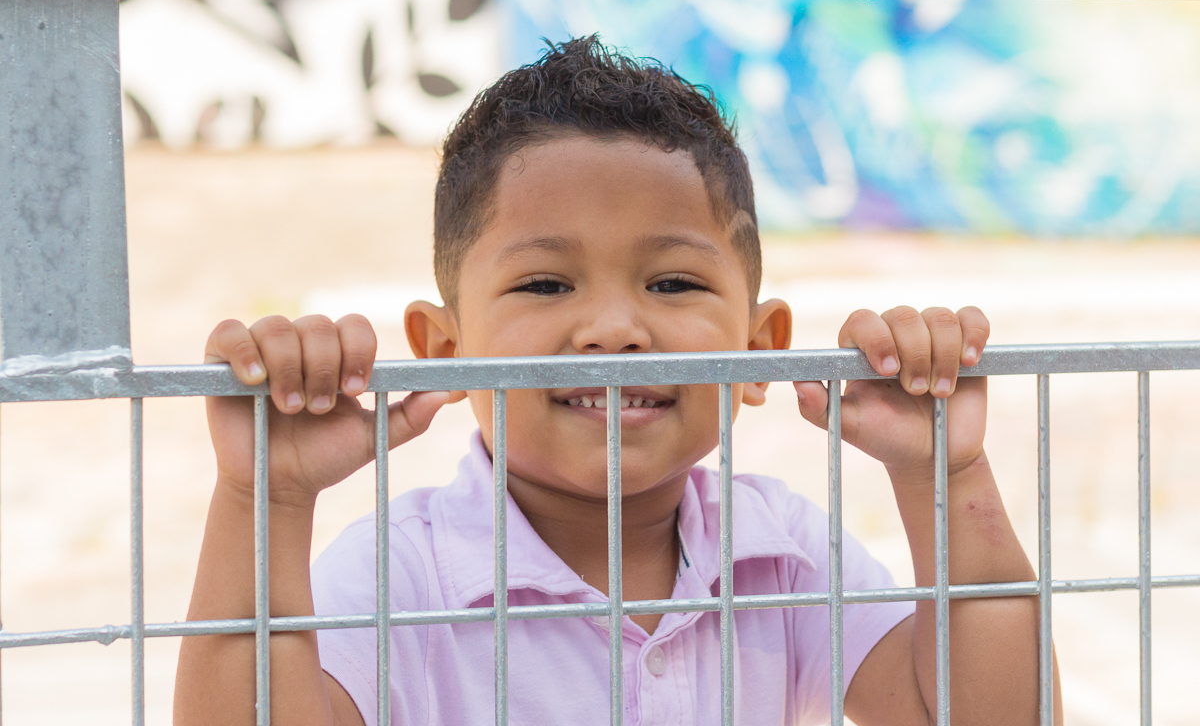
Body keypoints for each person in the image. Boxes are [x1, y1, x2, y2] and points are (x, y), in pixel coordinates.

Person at [174, 37, 1061, 725]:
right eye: (545, 284)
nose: (612, 329)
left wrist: (944, 476)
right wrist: (266, 501)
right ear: (441, 348)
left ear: (760, 349)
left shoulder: (781, 552)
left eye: (672, 283)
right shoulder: (398, 578)